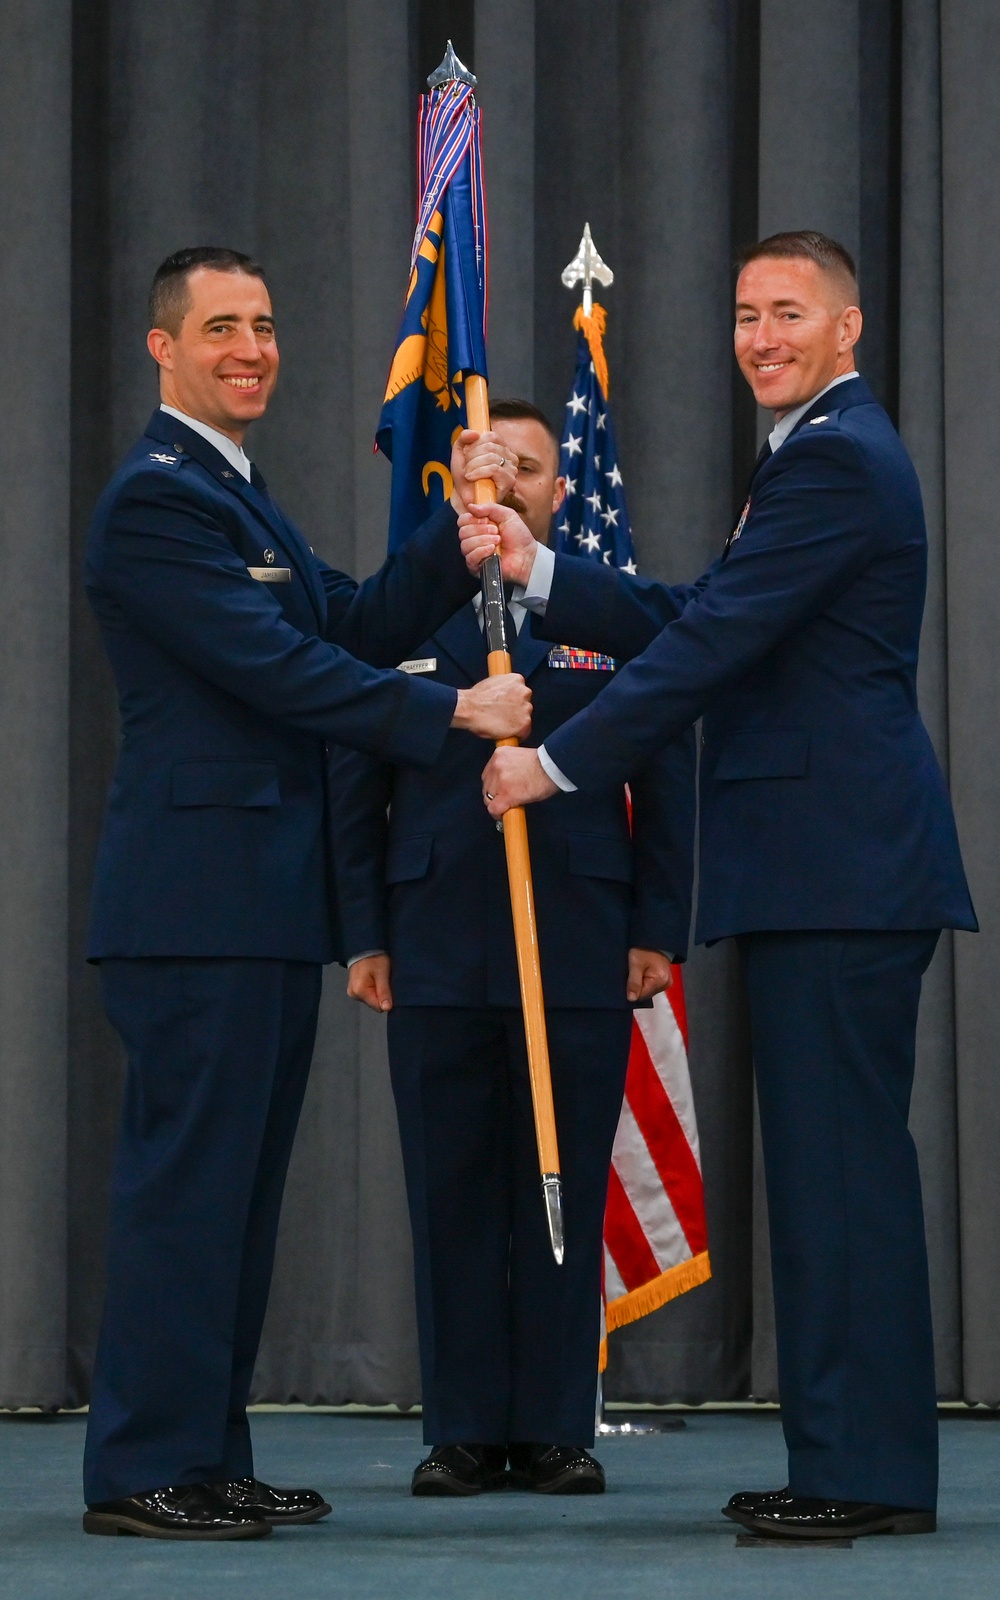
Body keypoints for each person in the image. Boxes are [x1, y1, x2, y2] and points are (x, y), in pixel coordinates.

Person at [467, 233, 977, 1541]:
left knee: (844, 1181)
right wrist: (539, 573)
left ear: (848, 328)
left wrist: (557, 769)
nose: (761, 335)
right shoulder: (816, 454)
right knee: (822, 1181)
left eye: (788, 313)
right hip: (822, 865)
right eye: (746, 312)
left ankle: (865, 1477)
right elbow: (709, 614)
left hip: (841, 866)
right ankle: (841, 1461)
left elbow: (708, 651)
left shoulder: (838, 461)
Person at [81, 246, 529, 1541]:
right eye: (223, 328)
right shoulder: (156, 503)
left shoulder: (243, 497)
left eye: (267, 326)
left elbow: (346, 619)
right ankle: (141, 1469)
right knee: (186, 1193)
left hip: (260, 908)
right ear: (162, 348)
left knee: (236, 1198)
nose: (253, 348)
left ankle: (206, 1456)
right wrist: (456, 709)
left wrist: (460, 544)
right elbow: (283, 672)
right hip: (193, 906)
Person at [329, 399, 695, 1497]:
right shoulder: (400, 609)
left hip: (580, 935)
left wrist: (653, 928)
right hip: (432, 937)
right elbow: (353, 777)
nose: (511, 485)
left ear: (555, 490)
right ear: (456, 484)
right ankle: (460, 1429)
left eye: (528, 469)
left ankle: (550, 1428)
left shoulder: (600, 607)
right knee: (450, 1190)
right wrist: (362, 935)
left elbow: (663, 772)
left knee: (564, 1185)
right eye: (492, 468)